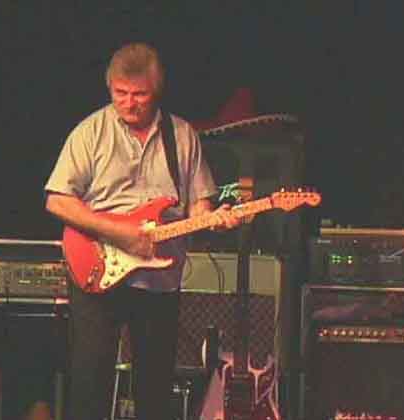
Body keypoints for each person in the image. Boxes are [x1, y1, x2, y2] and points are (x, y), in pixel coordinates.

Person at [44, 42, 239, 420]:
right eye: (121, 93)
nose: (129, 103)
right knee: (90, 384)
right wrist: (118, 233)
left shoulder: (181, 136)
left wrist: (212, 217)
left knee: (155, 388)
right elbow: (57, 201)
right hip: (97, 268)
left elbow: (198, 204)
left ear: (157, 91)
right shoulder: (91, 132)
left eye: (139, 95)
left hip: (159, 281)